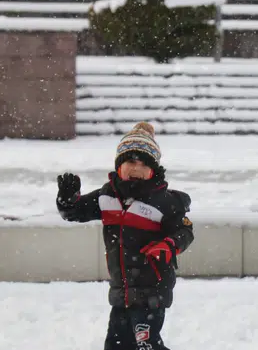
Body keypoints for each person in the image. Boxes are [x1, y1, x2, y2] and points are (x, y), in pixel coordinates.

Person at [56, 122, 194, 350]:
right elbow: (74, 212)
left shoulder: (163, 202)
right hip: (122, 292)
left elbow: (185, 231)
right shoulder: (107, 196)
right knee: (116, 345)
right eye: (130, 161)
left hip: (153, 289)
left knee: (147, 345)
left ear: (153, 170)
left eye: (144, 164)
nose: (136, 169)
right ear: (119, 165)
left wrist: (168, 245)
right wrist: (67, 199)